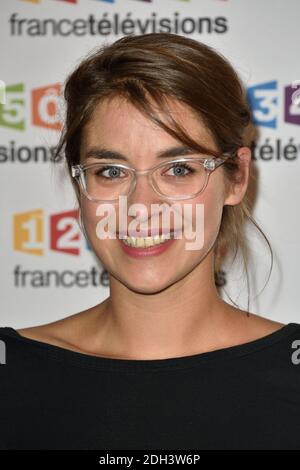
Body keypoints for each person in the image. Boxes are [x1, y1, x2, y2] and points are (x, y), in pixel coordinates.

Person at [0, 33, 299, 450]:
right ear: (80, 185)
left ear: (237, 177)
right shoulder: (10, 373)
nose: (140, 206)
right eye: (110, 171)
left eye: (178, 170)